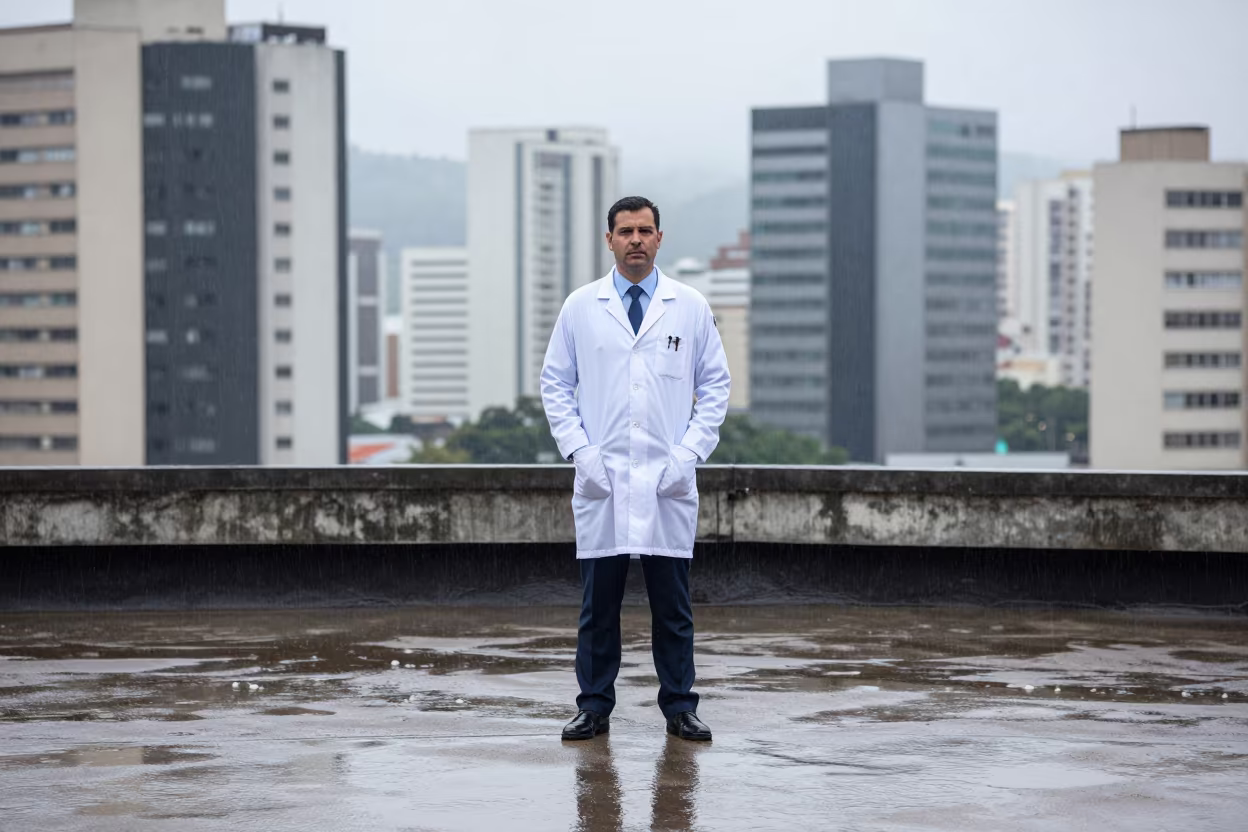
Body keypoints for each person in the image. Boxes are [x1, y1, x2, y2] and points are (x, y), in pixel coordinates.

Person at [540, 195, 730, 742]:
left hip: (667, 479)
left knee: (673, 606)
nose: (636, 240)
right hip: (603, 478)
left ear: (660, 238)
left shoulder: (689, 306)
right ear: (609, 240)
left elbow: (715, 386)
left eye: (646, 230)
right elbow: (555, 384)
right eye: (626, 231)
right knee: (598, 607)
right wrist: (581, 452)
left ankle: (680, 706)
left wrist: (688, 454)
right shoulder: (581, 307)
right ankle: (594, 706)